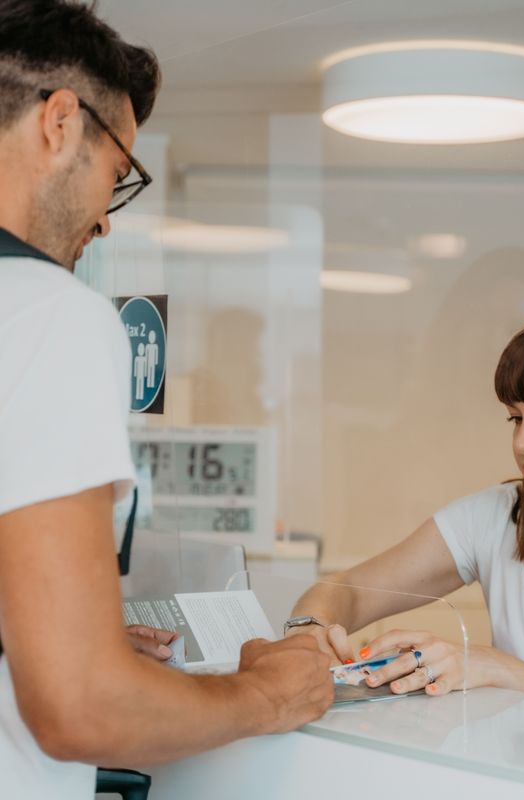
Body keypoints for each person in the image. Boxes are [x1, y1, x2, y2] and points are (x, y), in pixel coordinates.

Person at [0, 2, 332, 799]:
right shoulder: (50, 312)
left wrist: (50, 635)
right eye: (118, 178)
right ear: (59, 122)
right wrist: (265, 694)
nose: (104, 226)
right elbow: (82, 706)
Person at [287, 308, 524, 718]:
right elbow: (348, 591)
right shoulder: (496, 516)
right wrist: (309, 631)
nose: (523, 441)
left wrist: (503, 670)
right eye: (515, 417)